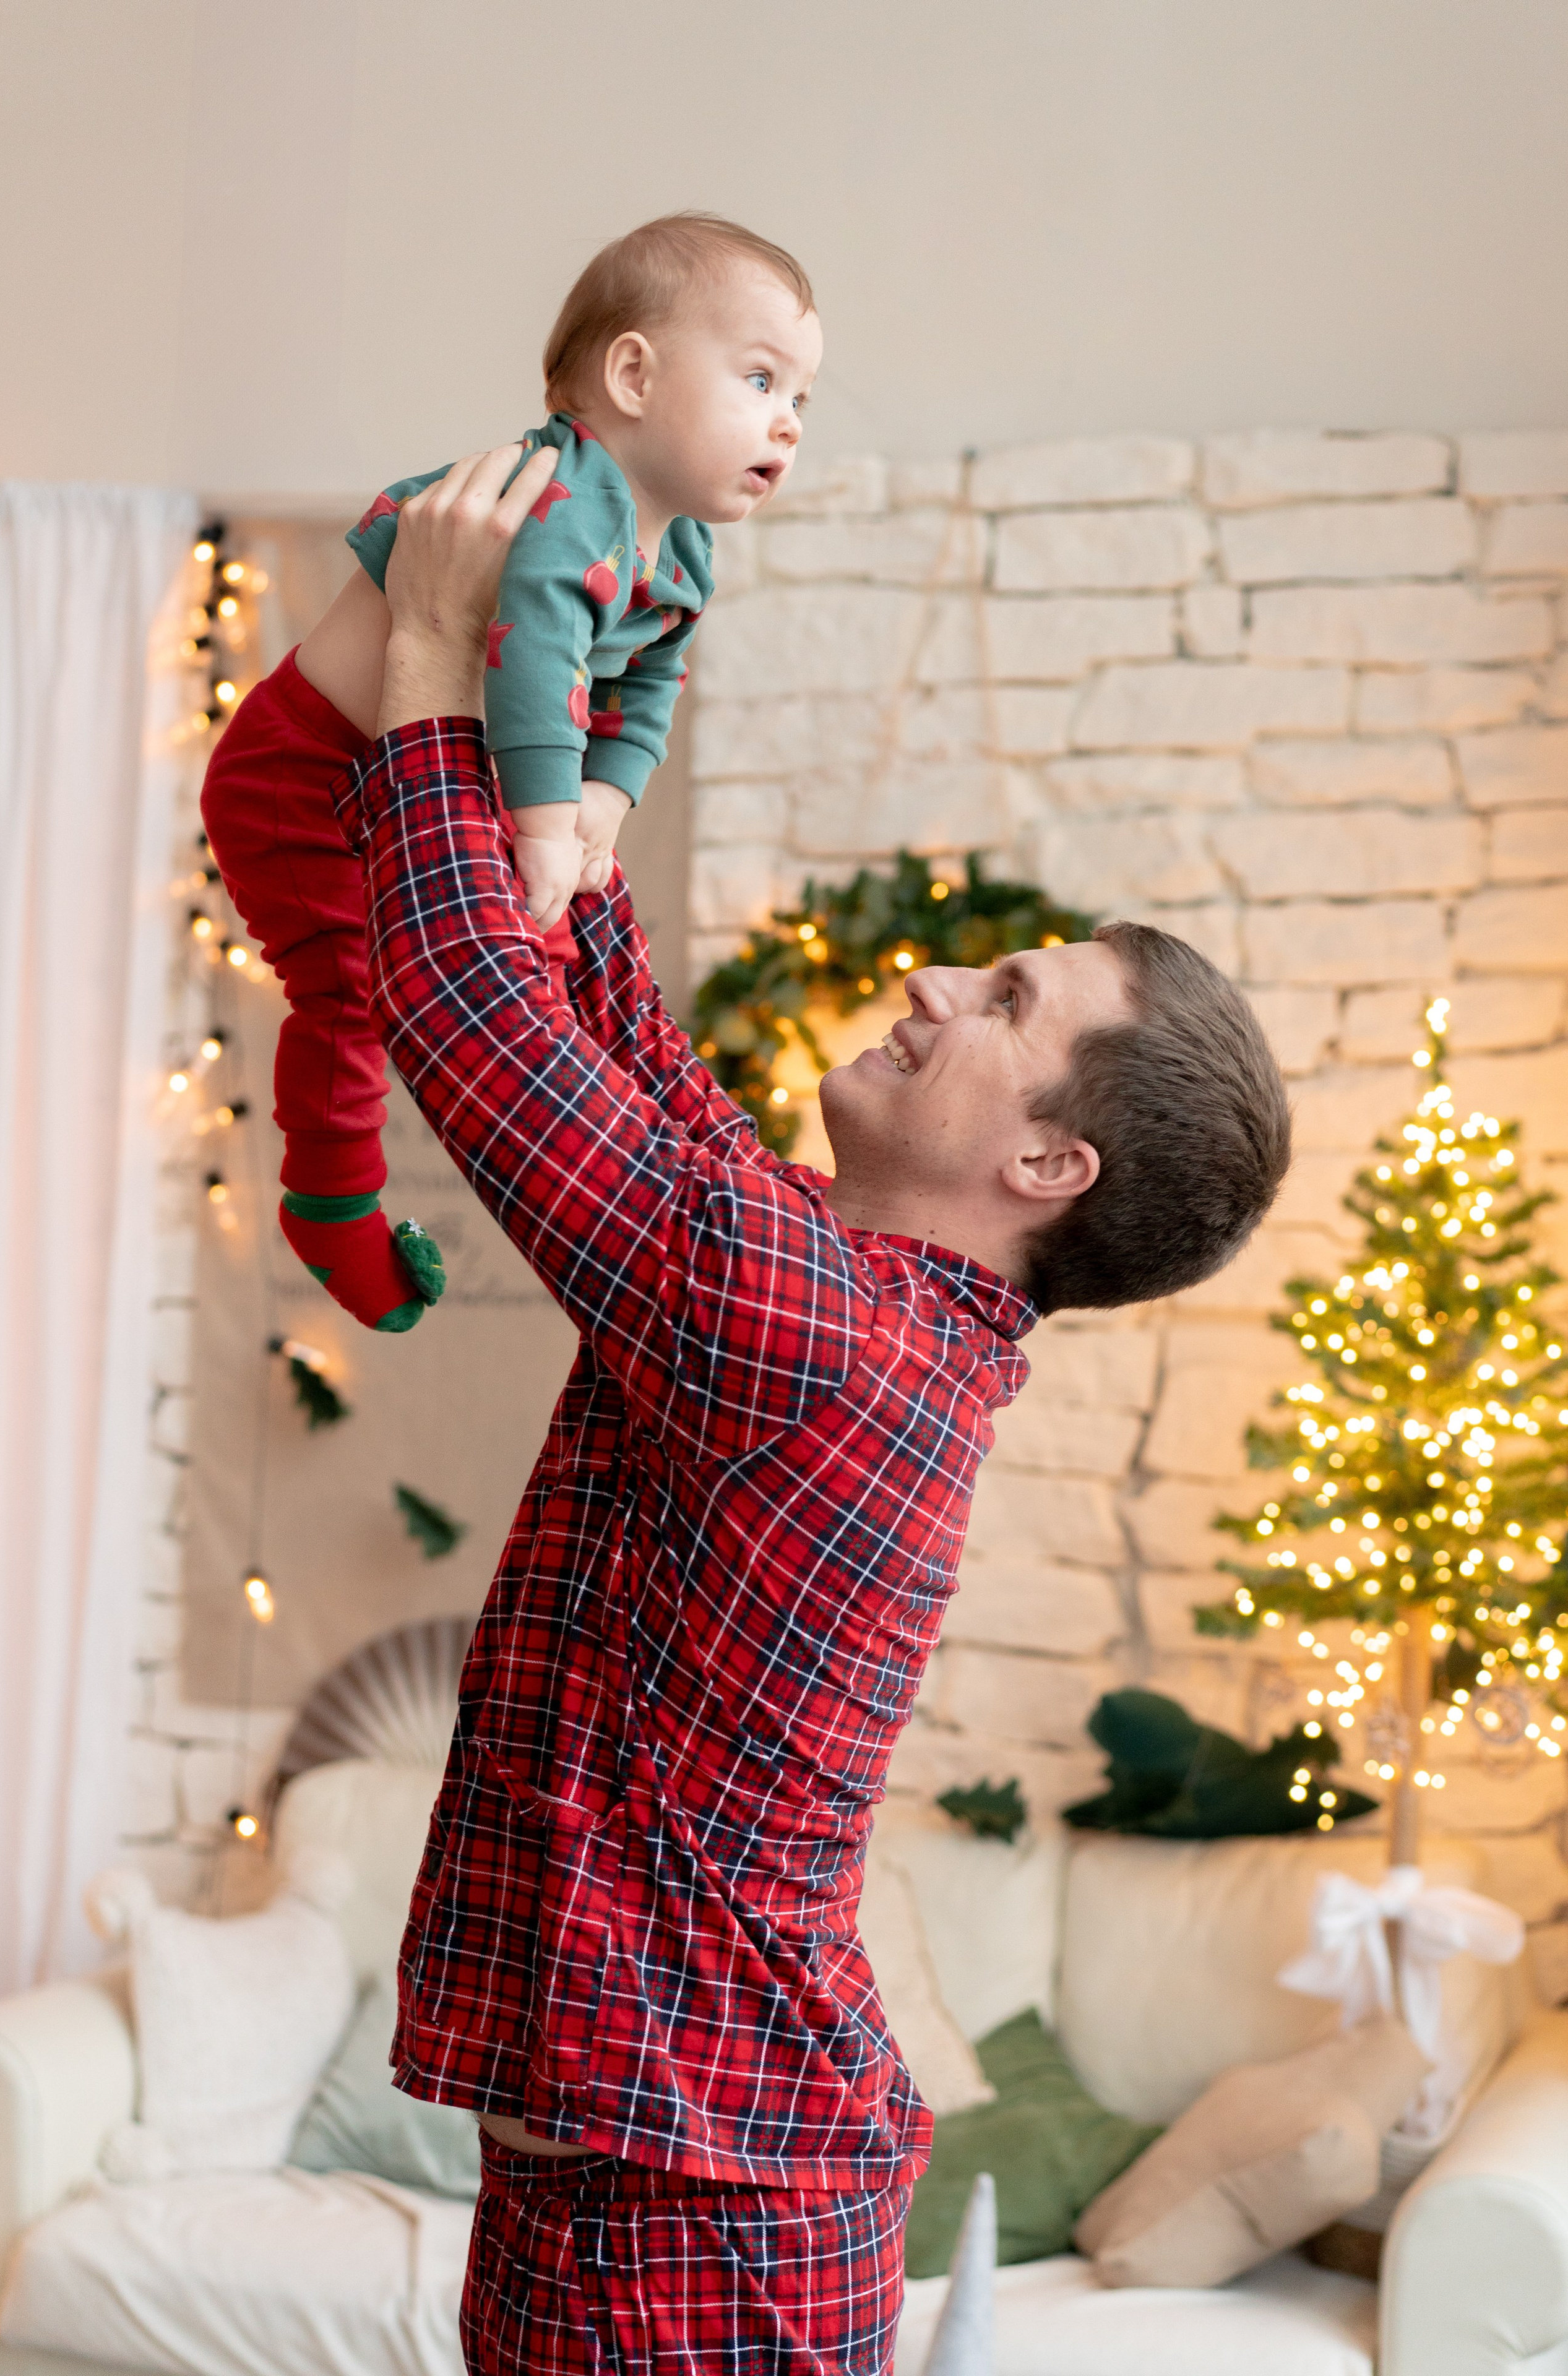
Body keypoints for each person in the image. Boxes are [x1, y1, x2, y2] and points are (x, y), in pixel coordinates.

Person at [334, 449, 1291, 2374]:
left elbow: (472, 1019)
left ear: (1049, 1166)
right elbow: (610, 1041)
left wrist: (433, 655)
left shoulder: (822, 1338)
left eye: (1004, 1001)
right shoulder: (830, 1290)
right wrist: (573, 733)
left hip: (690, 2230)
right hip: (643, 2193)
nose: (933, 980)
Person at [200, 213, 818, 1331]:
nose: (788, 421)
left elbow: (650, 685)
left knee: (518, 969)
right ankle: (329, 1209)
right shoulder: (560, 499)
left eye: (803, 400)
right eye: (762, 379)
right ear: (634, 376)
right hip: (302, 774)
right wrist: (543, 827)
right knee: (347, 990)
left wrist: (603, 798)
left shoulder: (683, 549)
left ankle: (613, 1167)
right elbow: (532, 659)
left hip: (415, 775)